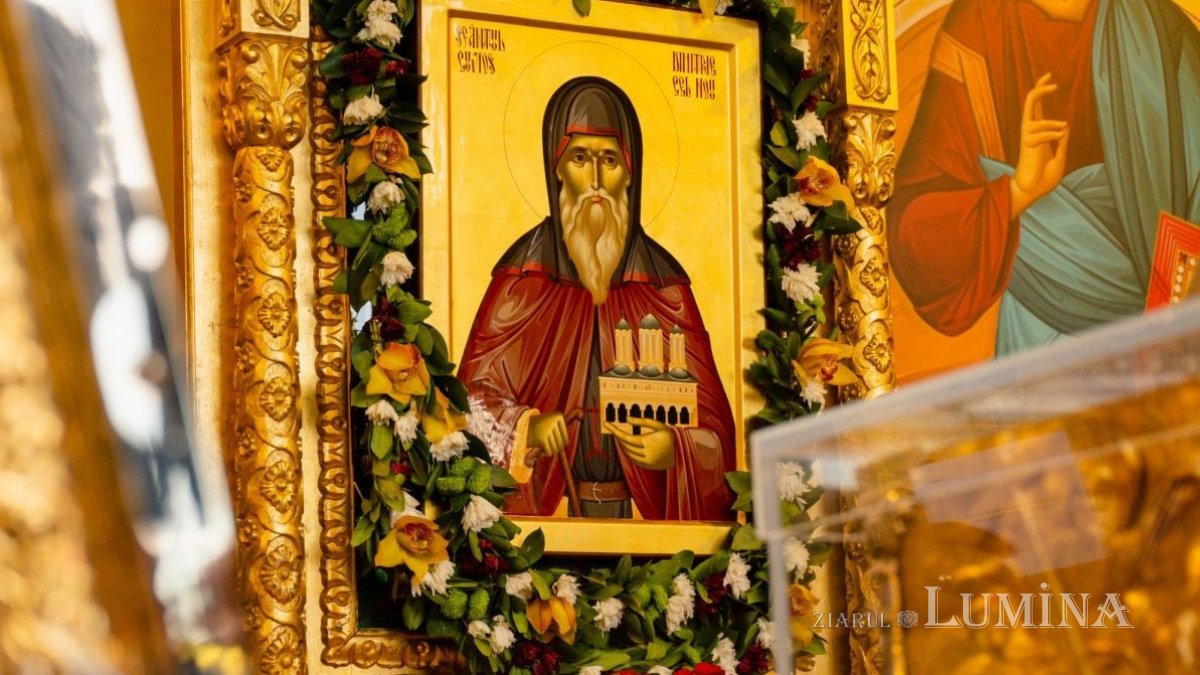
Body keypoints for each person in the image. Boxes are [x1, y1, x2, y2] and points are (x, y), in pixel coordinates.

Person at [457, 77, 736, 520]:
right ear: (556, 169)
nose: (597, 181)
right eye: (580, 158)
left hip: (645, 531)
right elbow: (466, 405)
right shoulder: (522, 281)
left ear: (630, 172)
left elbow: (717, 430)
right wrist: (527, 427)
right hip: (543, 532)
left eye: (610, 160)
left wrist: (676, 447)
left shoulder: (662, 288)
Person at [890, 0, 1200, 355]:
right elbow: (917, 236)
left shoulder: (1160, 27)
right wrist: (1019, 192)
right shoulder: (980, 27)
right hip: (1041, 341)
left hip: (1164, 349)